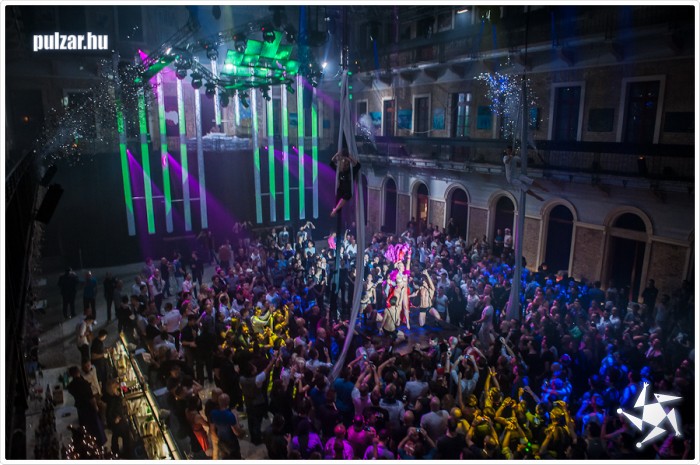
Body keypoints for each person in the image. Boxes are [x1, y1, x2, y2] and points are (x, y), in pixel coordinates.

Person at [66, 365, 107, 446]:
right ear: (78, 372)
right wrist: (96, 407)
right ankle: (99, 441)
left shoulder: (71, 386)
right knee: (95, 426)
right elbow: (91, 397)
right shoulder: (84, 383)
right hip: (89, 407)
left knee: (86, 425)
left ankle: (88, 441)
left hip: (80, 407)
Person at [330, 144, 361, 217]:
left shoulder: (351, 171)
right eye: (343, 163)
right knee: (338, 206)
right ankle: (336, 210)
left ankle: (335, 210)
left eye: (346, 164)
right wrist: (336, 155)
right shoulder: (339, 171)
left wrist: (350, 158)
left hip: (347, 191)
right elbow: (331, 163)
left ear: (348, 164)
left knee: (346, 196)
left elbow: (358, 165)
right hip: (340, 190)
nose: (344, 165)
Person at [209, 393, 243, 459]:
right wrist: (236, 417)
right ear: (228, 402)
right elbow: (237, 432)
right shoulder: (230, 415)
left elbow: (212, 429)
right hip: (231, 442)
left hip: (221, 440)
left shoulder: (213, 413)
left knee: (225, 457)